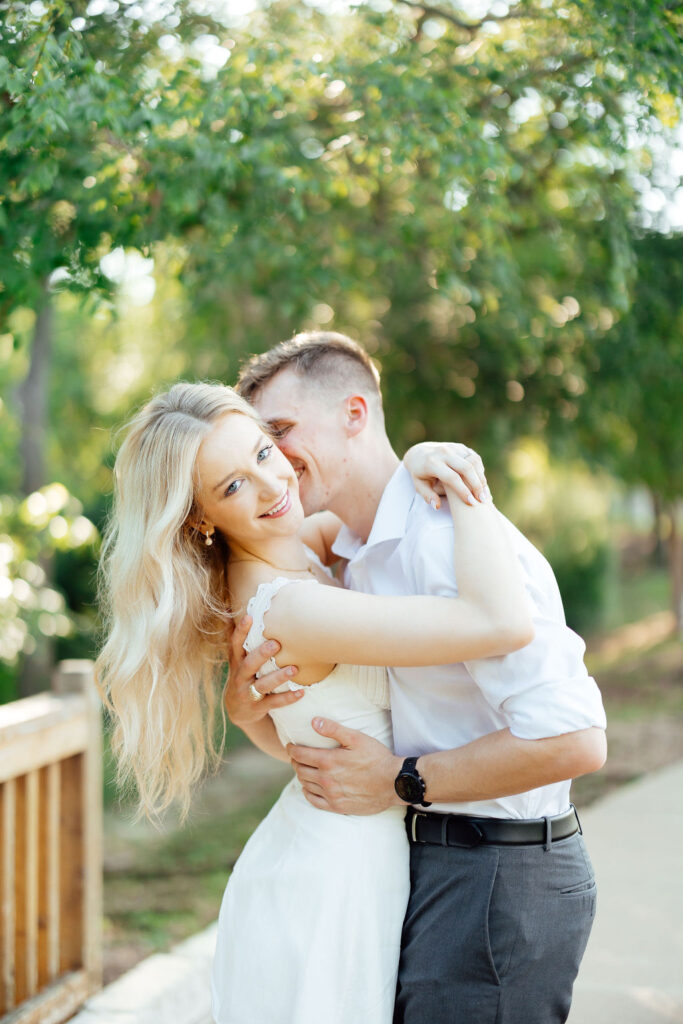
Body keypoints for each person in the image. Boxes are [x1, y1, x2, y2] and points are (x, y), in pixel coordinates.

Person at [95, 380, 535, 1024]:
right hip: (335, 877)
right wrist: (470, 493)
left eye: (264, 455)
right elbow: (500, 623)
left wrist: (410, 462)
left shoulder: (290, 550)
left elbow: (306, 727)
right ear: (199, 518)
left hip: (332, 847)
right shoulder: (292, 607)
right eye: (233, 487)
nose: (272, 487)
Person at [227, 331, 608, 1024]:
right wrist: (242, 701)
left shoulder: (448, 538)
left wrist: (400, 779)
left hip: (501, 876)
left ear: (354, 413)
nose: (273, 460)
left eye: (279, 431)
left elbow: (576, 740)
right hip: (426, 864)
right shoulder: (345, 553)